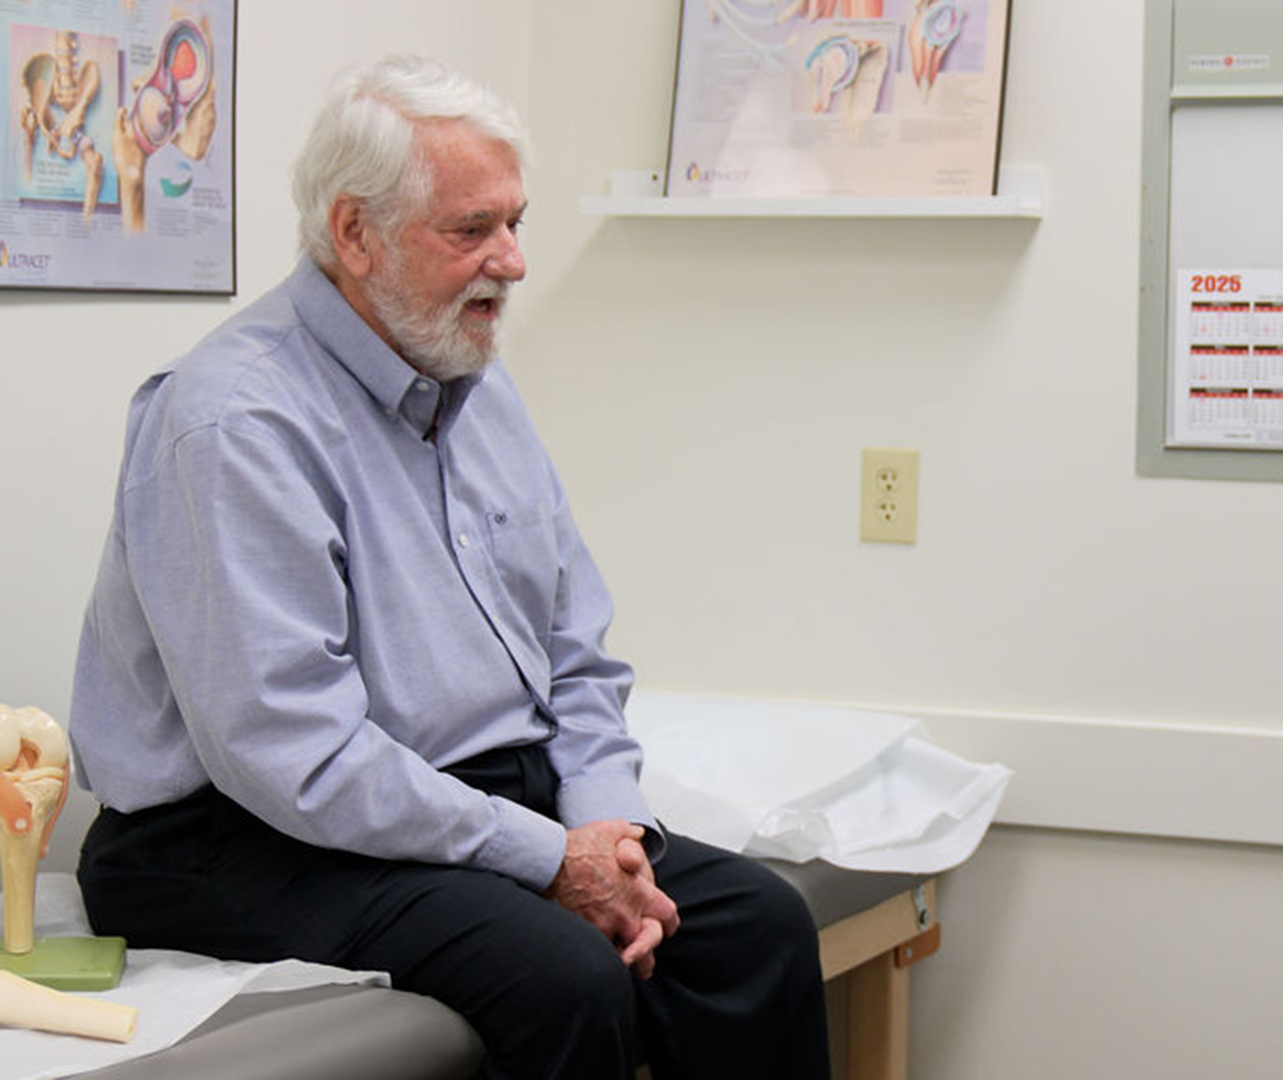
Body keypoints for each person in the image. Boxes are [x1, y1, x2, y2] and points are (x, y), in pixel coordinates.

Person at [68, 55, 829, 1080]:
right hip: (239, 838)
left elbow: (575, 650)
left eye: (515, 222)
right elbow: (296, 754)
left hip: (466, 804)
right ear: (353, 234)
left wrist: (605, 824)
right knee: (566, 979)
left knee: (757, 927)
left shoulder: (473, 373)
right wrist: (547, 859)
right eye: (472, 231)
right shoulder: (233, 421)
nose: (511, 262)